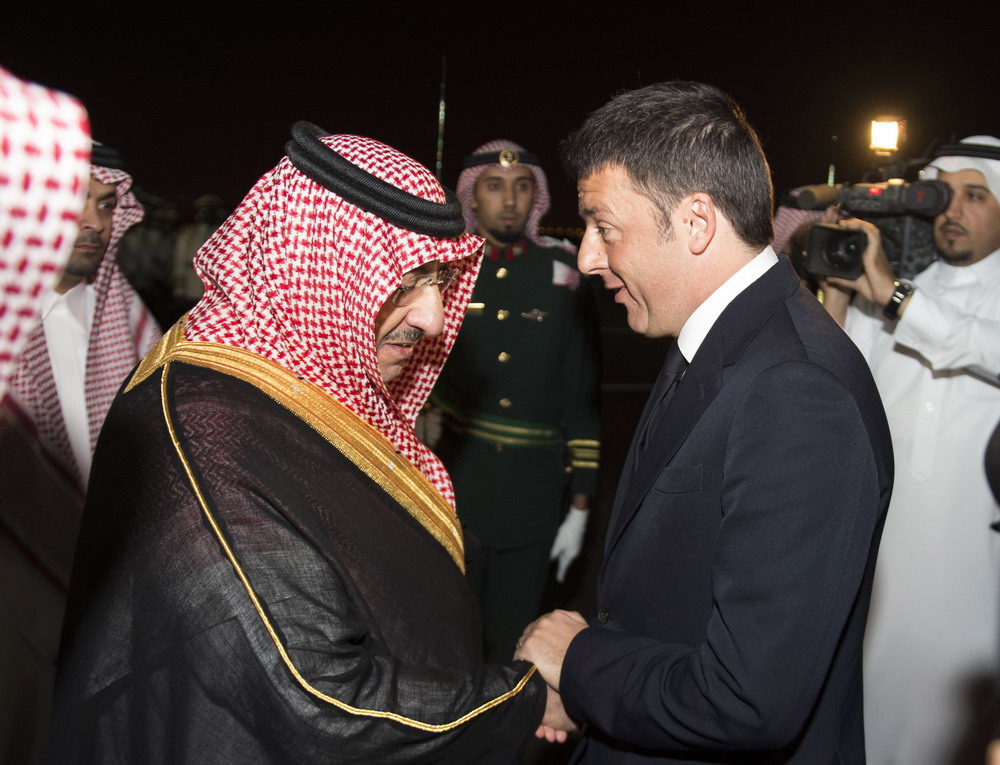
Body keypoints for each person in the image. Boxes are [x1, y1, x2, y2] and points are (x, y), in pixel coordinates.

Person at [48, 125, 546, 763]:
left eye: (441, 283)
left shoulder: (297, 385)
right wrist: (524, 701)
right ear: (319, 269)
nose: (430, 318)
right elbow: (316, 695)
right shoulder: (207, 423)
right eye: (404, 281)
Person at [515, 81, 893, 764]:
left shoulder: (798, 391)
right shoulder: (717, 336)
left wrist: (579, 660)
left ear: (695, 221)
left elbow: (747, 700)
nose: (588, 257)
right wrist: (591, 692)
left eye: (604, 227)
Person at [821, 136, 1000, 765]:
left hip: (977, 565)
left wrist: (891, 295)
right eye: (943, 196)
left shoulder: (902, 295)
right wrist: (838, 288)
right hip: (887, 561)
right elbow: (836, 389)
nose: (954, 210)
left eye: (976, 196)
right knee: (871, 721)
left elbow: (975, 343)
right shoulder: (897, 289)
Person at [0, 144, 157, 764]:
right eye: (73, 202)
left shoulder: (123, 313)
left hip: (99, 586)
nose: (93, 221)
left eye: (105, 203)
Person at [430, 139, 601, 662]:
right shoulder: (446, 270)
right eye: (494, 186)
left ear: (537, 197)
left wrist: (580, 505)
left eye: (522, 186)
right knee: (447, 639)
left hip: (534, 491)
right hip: (454, 483)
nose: (509, 200)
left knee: (514, 644)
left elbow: (583, 391)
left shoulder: (564, 274)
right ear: (470, 197)